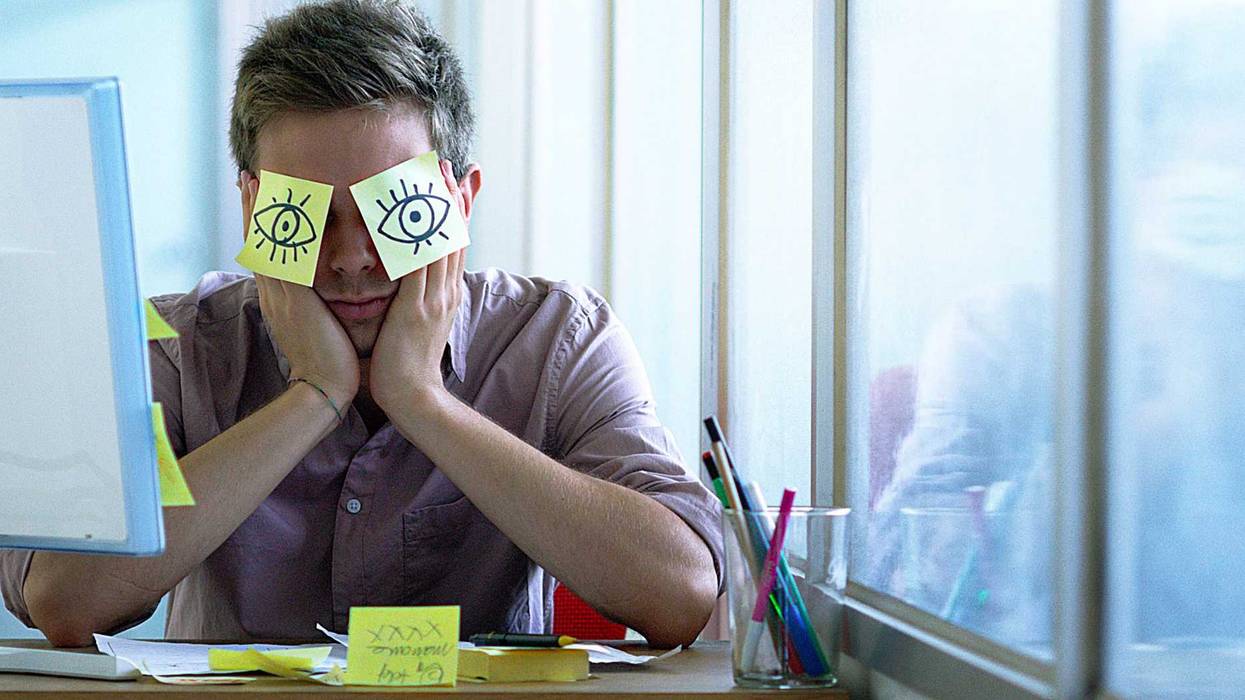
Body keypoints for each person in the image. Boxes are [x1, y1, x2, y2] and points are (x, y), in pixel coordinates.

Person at [0, 0, 721, 647]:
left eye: (393, 211)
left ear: (459, 201)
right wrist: (313, 395)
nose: (350, 258)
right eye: (306, 213)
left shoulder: (559, 338)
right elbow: (61, 599)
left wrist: (422, 401)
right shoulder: (172, 346)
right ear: (253, 208)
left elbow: (679, 595)